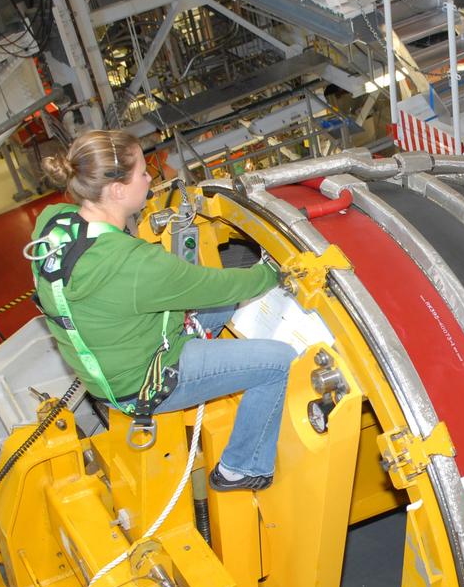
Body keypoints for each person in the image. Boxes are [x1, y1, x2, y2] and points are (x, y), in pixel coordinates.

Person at [33, 130, 295, 491]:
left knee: (223, 306)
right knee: (278, 361)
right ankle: (242, 468)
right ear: (117, 190)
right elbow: (220, 286)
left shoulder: (53, 221)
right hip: (145, 382)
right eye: (143, 172)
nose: (150, 179)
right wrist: (274, 271)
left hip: (119, 356)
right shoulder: (132, 264)